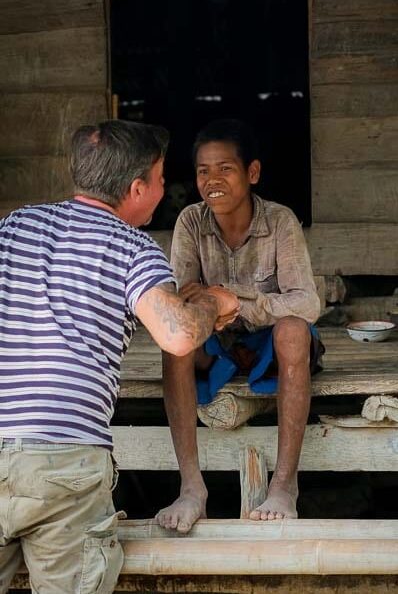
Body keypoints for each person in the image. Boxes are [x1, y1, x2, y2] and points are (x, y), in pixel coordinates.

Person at [0, 120, 239, 594]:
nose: (164, 187)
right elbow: (178, 335)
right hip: (63, 462)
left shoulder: (14, 225)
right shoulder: (132, 247)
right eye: (160, 178)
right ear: (136, 189)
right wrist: (215, 302)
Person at [158, 118, 323, 533]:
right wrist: (212, 306)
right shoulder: (191, 223)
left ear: (252, 173)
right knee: (174, 341)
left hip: (273, 343)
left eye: (225, 169)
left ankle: (285, 485)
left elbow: (306, 302)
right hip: (219, 344)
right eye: (202, 171)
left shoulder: (280, 221)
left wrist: (229, 299)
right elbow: (180, 301)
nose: (212, 180)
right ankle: (192, 487)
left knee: (293, 329)